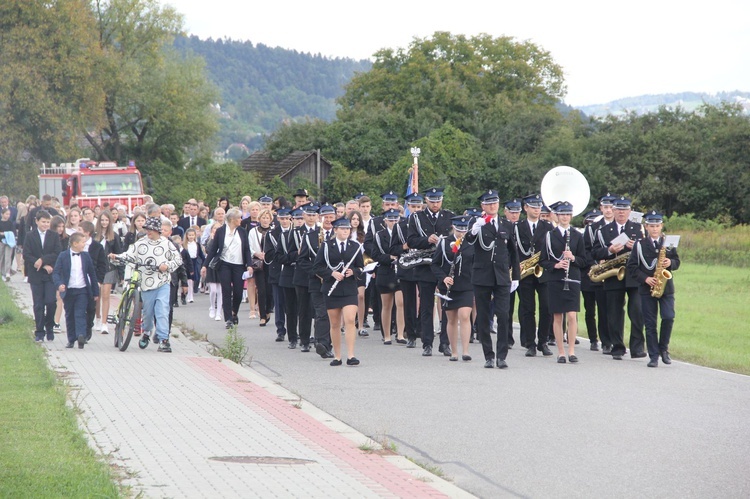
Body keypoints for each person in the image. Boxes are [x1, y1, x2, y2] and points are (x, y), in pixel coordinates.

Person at [465, 190, 521, 369]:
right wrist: (474, 230)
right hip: (482, 276)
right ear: (482, 206)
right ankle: (488, 355)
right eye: (488, 203)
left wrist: (516, 276)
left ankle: (501, 356)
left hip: (502, 276)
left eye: (495, 202)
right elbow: (468, 242)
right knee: (482, 316)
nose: (492, 205)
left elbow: (513, 252)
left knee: (504, 315)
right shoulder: (478, 223)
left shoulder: (507, 224)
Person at [110, 217, 182, 352]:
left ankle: (164, 340)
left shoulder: (166, 243)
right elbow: (129, 255)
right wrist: (117, 257)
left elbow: (178, 259)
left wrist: (167, 266)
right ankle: (147, 332)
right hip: (146, 283)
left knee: (162, 310)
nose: (148, 231)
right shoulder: (141, 243)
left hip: (162, 282)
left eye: (150, 229)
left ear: (157, 230)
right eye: (147, 229)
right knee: (148, 313)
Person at [592, 196, 646, 360]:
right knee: (614, 314)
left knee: (637, 311)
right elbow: (594, 252)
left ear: (630, 211)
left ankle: (637, 347)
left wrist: (635, 246)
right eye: (618, 209)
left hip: (634, 276)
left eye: (624, 210)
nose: (621, 212)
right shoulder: (602, 231)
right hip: (613, 274)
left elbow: (648, 251)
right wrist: (609, 250)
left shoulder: (638, 229)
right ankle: (617, 347)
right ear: (613, 211)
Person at [626, 211, 680, 367]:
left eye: (657, 226)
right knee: (650, 323)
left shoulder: (668, 242)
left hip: (666, 288)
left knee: (668, 317)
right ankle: (654, 355)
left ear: (661, 226)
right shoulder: (639, 245)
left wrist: (670, 263)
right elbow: (632, 267)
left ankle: (664, 348)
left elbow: (677, 261)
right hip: (647, 288)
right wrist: (645, 278)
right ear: (646, 227)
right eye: (651, 226)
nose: (655, 229)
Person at [407, 187, 454, 357]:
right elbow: (410, 240)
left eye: (438, 200)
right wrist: (426, 240)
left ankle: (445, 342)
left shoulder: (449, 216)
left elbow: (456, 239)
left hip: (443, 267)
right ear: (426, 200)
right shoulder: (417, 217)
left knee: (447, 305)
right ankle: (427, 343)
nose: (435, 204)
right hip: (425, 267)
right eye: (432, 201)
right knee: (426, 307)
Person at [312, 217, 365, 366]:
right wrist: (332, 273)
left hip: (349, 288)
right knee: (334, 324)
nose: (345, 231)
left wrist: (353, 272)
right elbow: (317, 267)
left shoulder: (355, 247)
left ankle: (351, 355)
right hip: (332, 288)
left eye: (347, 229)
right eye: (342, 229)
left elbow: (361, 268)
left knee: (349, 320)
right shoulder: (327, 246)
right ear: (335, 230)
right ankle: (337, 356)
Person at [539, 201, 587, 363]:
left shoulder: (577, 235)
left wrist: (573, 258)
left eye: (568, 214)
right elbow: (543, 261)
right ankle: (560, 351)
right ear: (557, 216)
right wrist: (556, 265)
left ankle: (571, 350)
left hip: (572, 278)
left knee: (572, 316)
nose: (565, 217)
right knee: (558, 316)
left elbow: (584, 260)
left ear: (571, 216)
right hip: (555, 279)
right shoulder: (549, 236)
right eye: (562, 214)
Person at [515, 194, 554, 357]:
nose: (537, 209)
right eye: (533, 206)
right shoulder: (518, 227)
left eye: (539, 206)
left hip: (543, 271)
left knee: (546, 307)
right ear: (526, 208)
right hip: (525, 273)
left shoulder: (548, 227)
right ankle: (530, 343)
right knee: (527, 309)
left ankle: (543, 341)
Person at [200, 208, 253, 329]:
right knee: (226, 290)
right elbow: (213, 250)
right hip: (224, 264)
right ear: (232, 219)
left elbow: (246, 249)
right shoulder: (220, 231)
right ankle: (228, 318)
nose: (241, 220)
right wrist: (205, 265)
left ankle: (234, 312)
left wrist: (249, 265)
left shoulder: (242, 231)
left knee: (239, 292)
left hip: (239, 265)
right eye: (239, 218)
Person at [431, 215, 475, 361]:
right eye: (459, 229)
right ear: (453, 228)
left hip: (467, 285)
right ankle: (454, 351)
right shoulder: (444, 243)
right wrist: (443, 278)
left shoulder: (471, 242)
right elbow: (435, 264)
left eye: (464, 230)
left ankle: (466, 351)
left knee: (464, 316)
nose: (462, 233)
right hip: (448, 286)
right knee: (451, 319)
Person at [53, 232, 100, 349]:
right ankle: (71, 339)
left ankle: (81, 336)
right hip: (68, 290)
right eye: (82, 242)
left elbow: (92, 274)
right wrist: (59, 285)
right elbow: (56, 273)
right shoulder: (63, 256)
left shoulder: (86, 256)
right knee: (69, 315)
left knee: (80, 313)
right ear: (75, 243)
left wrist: (95, 292)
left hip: (82, 290)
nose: (84, 244)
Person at [23, 210, 62, 342]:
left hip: (50, 274)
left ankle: (49, 326)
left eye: (47, 222)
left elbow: (57, 252)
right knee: (38, 304)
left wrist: (43, 260)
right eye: (43, 222)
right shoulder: (30, 235)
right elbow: (26, 254)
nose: (45, 224)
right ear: (37, 221)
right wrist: (38, 263)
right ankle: (39, 331)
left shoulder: (53, 235)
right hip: (36, 274)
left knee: (51, 302)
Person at [370, 208, 406, 344]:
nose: (393, 222)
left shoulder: (403, 234)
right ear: (385, 221)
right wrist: (389, 257)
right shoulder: (379, 235)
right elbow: (375, 255)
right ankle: (386, 335)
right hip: (385, 272)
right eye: (390, 220)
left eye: (395, 220)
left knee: (401, 303)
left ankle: (401, 334)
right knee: (386, 305)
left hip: (400, 271)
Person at [263, 207, 290, 340]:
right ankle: (280, 329)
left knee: (291, 303)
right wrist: (283, 253)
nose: (284, 221)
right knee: (278, 302)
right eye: (282, 218)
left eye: (286, 218)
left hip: (291, 271)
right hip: (277, 271)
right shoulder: (271, 234)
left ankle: (292, 329)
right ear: (278, 219)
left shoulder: (294, 232)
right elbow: (268, 255)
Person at [95, 211, 124, 334]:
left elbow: (119, 254)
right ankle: (97, 317)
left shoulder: (114, 236)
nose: (104, 222)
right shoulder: (94, 235)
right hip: (96, 268)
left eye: (107, 220)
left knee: (106, 294)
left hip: (109, 268)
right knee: (97, 295)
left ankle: (104, 323)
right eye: (102, 220)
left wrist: (121, 275)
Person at [248, 209, 273, 325]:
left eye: (267, 218)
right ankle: (262, 315)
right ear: (259, 219)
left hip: (271, 263)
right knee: (261, 289)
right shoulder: (253, 232)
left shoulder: (274, 231)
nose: (265, 220)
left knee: (270, 290)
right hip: (259, 263)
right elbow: (249, 246)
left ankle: (268, 310)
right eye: (263, 217)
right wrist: (256, 253)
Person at [204, 223, 223, 321]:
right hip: (211, 265)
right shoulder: (210, 239)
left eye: (218, 228)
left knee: (220, 290)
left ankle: (219, 312)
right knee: (213, 290)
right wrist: (212, 239)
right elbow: (208, 250)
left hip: (220, 265)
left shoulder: (223, 238)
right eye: (215, 228)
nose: (216, 230)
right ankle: (212, 306)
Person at [182, 228, 204, 303]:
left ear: (195, 236)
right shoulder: (184, 245)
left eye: (192, 235)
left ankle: (190, 295)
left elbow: (201, 255)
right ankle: (187, 295)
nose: (191, 237)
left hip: (194, 263)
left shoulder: (197, 244)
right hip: (186, 263)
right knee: (187, 280)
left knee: (192, 280)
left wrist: (205, 264)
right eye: (189, 235)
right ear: (187, 236)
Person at [0, 207, 16, 281]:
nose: (8, 216)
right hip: (1, 242)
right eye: (6, 214)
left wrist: (5, 234)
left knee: (8, 257)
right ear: (2, 214)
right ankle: (1, 271)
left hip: (9, 242)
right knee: (1, 256)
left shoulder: (10, 223)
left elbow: (12, 232)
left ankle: (7, 272)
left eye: (9, 214)